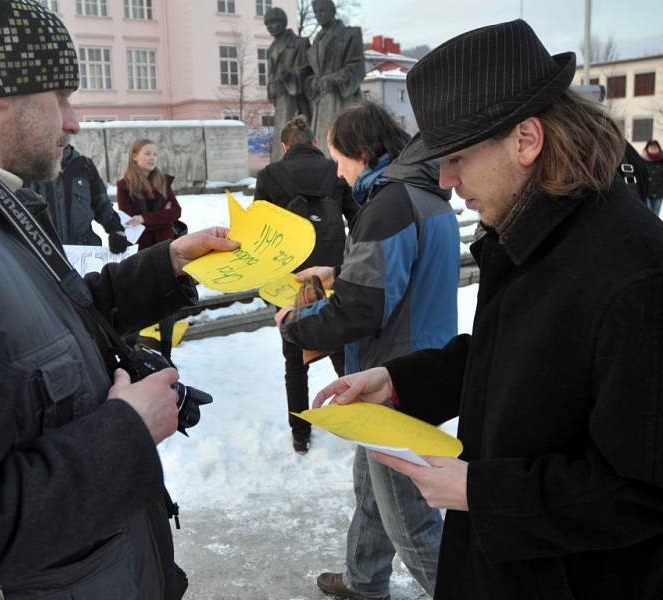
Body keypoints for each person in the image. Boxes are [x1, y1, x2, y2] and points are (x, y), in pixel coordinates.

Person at [0, 1, 237, 598]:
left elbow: (46, 326)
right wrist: (126, 433)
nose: (73, 122)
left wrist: (168, 262)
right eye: (61, 96)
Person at [313, 20, 663, 600]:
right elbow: (524, 358)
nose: (447, 181)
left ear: (526, 141)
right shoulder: (539, 229)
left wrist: (481, 492)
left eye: (457, 159)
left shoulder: (634, 274)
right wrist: (401, 381)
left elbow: (639, 490)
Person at [276, 101, 460, 599]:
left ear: (363, 151)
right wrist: (336, 275)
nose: (336, 172)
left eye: (340, 159)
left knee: (409, 519)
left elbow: (362, 309)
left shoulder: (390, 204)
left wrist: (296, 326)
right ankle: (363, 578)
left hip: (395, 382)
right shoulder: (423, 194)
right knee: (372, 492)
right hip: (417, 365)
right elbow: (403, 277)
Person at [255, 114, 358, 454]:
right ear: (315, 143)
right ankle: (358, 418)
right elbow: (357, 219)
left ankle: (300, 433)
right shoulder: (335, 171)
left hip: (289, 278)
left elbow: (259, 231)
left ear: (284, 147)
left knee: (294, 356)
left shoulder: (270, 175)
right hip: (332, 272)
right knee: (341, 346)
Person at [116, 139, 184, 363]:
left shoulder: (163, 182)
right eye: (148, 153)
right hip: (141, 249)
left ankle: (167, 353)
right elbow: (128, 219)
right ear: (134, 156)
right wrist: (159, 217)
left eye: (155, 153)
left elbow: (175, 212)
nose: (153, 157)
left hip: (166, 246)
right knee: (138, 299)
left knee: (169, 299)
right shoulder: (124, 186)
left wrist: (145, 218)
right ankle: (132, 352)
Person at [26, 143, 131, 254]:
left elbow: (102, 203)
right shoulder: (28, 167)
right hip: (43, 252)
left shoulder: (84, 165)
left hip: (83, 252)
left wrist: (116, 229)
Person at [305, 0, 365, 157]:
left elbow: (357, 67)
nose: (318, 15)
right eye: (316, 12)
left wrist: (333, 78)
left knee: (341, 141)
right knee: (322, 141)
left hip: (341, 98)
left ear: (332, 11)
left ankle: (340, 172)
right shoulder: (317, 40)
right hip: (322, 100)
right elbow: (314, 71)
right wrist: (314, 81)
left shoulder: (349, 34)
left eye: (322, 11)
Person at [264, 7, 312, 163]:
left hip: (295, 98)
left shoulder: (300, 43)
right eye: (268, 24)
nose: (270, 26)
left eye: (274, 22)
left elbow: (309, 69)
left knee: (294, 133)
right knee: (281, 132)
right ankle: (281, 163)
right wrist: (271, 87)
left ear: (283, 22)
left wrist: (290, 76)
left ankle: (292, 162)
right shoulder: (271, 48)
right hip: (281, 97)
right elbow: (271, 73)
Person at [642, 139, 663, 215]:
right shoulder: (642, 161)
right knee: (648, 213)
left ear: (659, 149)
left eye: (655, 148)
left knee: (656, 214)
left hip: (659, 193)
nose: (653, 150)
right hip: (646, 192)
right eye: (651, 148)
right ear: (647, 149)